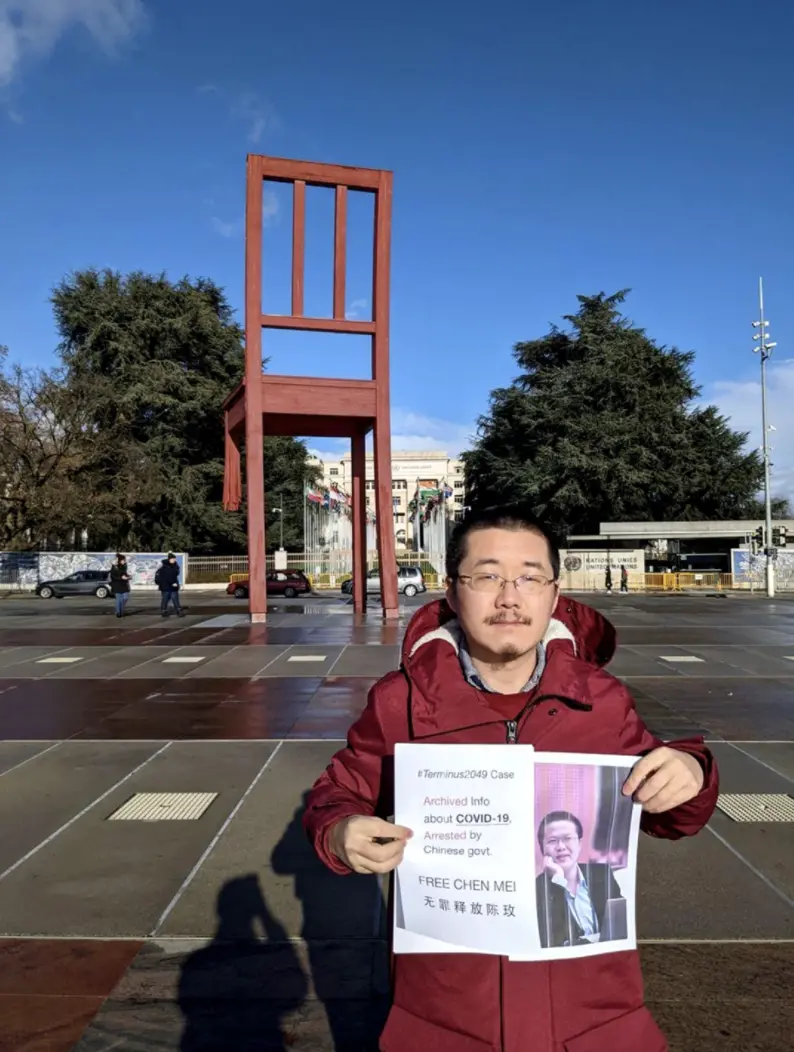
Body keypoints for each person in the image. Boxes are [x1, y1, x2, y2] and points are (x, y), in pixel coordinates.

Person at [304, 505, 718, 1051]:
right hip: (444, 1022)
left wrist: (691, 771)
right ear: (452, 592)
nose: (508, 596)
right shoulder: (401, 701)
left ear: (554, 593)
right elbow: (337, 792)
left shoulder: (602, 700)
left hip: (594, 1022)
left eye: (529, 577)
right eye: (487, 576)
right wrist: (339, 831)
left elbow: (673, 816)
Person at [536, 810, 623, 948]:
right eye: (552, 841)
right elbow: (555, 941)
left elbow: (620, 926)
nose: (561, 847)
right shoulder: (536, 890)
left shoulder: (602, 874)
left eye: (567, 838)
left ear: (580, 844)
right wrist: (558, 881)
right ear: (542, 848)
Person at [156, 553, 184, 617]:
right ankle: (164, 611)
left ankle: (179, 611)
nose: (174, 560)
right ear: (169, 559)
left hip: (173, 586)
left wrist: (176, 584)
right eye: (173, 559)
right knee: (165, 599)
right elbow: (165, 578)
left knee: (175, 599)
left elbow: (175, 575)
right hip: (166, 587)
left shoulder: (175, 566)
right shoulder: (164, 568)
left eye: (175, 558)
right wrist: (171, 583)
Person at [109, 554, 131, 618]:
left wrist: (128, 577)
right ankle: (118, 612)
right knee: (119, 600)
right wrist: (121, 578)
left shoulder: (124, 566)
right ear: (120, 560)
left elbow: (125, 574)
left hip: (124, 585)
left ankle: (120, 610)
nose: (124, 561)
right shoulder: (114, 566)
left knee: (125, 598)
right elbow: (113, 576)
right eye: (123, 560)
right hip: (117, 585)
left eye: (125, 560)